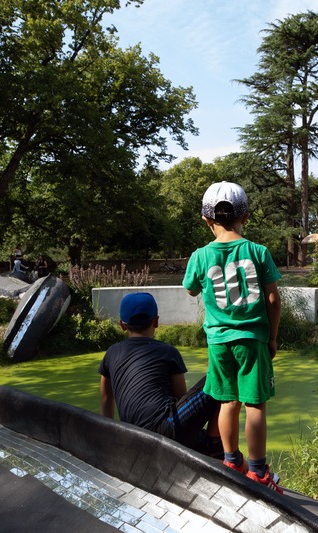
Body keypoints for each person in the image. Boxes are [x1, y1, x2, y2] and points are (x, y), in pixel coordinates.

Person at [183, 181, 283, 493]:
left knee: (228, 401)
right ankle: (258, 472)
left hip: (219, 342)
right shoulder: (257, 251)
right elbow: (273, 300)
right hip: (252, 339)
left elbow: (190, 288)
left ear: (206, 219)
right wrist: (273, 338)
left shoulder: (200, 256)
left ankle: (230, 461)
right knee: (255, 404)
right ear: (246, 216)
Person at [98, 292, 222, 455]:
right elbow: (182, 398)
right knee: (220, 376)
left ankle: (207, 442)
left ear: (122, 324)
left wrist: (109, 435)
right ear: (156, 321)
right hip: (168, 427)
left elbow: (106, 398)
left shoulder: (111, 353)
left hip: (134, 435)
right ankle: (214, 445)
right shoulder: (168, 351)